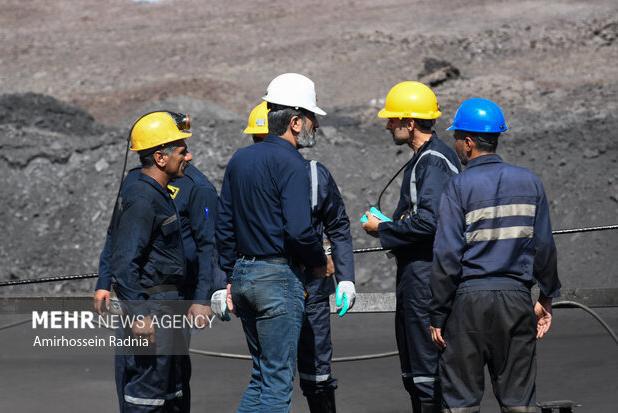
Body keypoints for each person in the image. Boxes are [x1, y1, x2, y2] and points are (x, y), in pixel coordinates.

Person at [429, 98, 561, 412]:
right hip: (516, 303)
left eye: (458, 137)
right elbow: (544, 247)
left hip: (467, 305)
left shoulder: (459, 186)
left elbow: (446, 255)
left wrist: (437, 314)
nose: (457, 145)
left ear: (469, 142)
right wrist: (547, 297)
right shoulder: (530, 183)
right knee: (518, 402)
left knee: (460, 402)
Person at [216, 73, 327, 413]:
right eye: (310, 119)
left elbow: (224, 226)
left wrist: (230, 277)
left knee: (261, 376)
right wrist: (318, 260)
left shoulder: (239, 160)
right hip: (278, 278)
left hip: (244, 275)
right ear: (294, 121)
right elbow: (298, 230)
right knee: (278, 382)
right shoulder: (291, 163)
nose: (314, 127)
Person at [100, 111, 224, 412]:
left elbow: (209, 245)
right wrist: (138, 311)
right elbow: (123, 252)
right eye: (182, 150)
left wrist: (201, 297)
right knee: (146, 395)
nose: (189, 156)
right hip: (153, 304)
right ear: (159, 157)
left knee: (171, 392)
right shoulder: (141, 194)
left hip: (171, 301)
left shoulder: (190, 190)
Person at [242, 101, 356, 413]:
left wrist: (346, 279)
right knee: (271, 377)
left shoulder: (315, 176)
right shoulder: (248, 178)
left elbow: (338, 225)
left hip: (310, 293)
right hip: (275, 288)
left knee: (314, 374)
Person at [361, 81, 460, 412]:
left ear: (411, 122)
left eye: (393, 119)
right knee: (417, 374)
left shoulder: (433, 161)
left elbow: (430, 222)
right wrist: (391, 228)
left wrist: (384, 228)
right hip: (417, 276)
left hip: (424, 278)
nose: (388, 125)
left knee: (426, 377)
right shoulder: (427, 160)